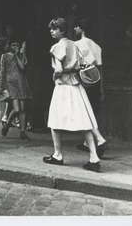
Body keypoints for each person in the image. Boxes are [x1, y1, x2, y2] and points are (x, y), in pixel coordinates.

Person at [43, 17, 101, 172]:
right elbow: (84, 63)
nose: (52, 31)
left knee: (55, 122)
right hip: (76, 86)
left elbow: (59, 70)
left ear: (62, 30)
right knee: (84, 123)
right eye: (51, 28)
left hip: (63, 87)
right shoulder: (74, 45)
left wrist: (55, 76)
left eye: (54, 29)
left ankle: (58, 155)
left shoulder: (56, 47)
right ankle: (94, 158)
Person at [73, 18, 109, 157]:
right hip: (95, 80)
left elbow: (77, 65)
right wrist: (101, 87)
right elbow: (100, 68)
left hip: (83, 81)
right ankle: (87, 142)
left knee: (84, 111)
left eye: (76, 27)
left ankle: (96, 141)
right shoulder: (96, 45)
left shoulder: (78, 44)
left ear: (82, 29)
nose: (75, 29)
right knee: (92, 111)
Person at [0, 40, 31, 140]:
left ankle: (22, 131)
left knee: (22, 108)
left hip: (21, 83)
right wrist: (1, 85)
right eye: (13, 45)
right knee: (16, 109)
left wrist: (17, 55)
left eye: (17, 45)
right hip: (10, 83)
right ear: (10, 45)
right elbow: (2, 70)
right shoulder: (5, 56)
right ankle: (7, 123)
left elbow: (22, 67)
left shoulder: (21, 55)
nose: (15, 47)